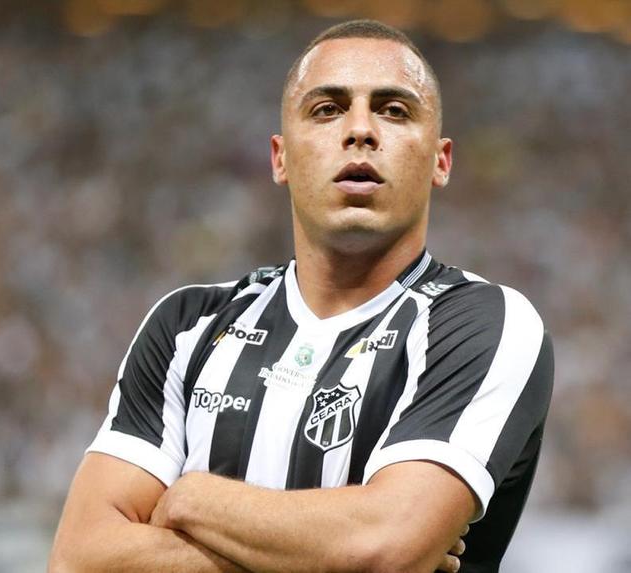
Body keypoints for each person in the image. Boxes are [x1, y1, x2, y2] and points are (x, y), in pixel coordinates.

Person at [48, 19, 553, 573]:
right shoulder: (187, 326)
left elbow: (384, 549)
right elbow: (79, 559)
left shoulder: (483, 322)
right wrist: (328, 546)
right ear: (280, 157)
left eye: (393, 110)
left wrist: (191, 500)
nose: (360, 130)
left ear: (440, 159)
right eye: (327, 109)